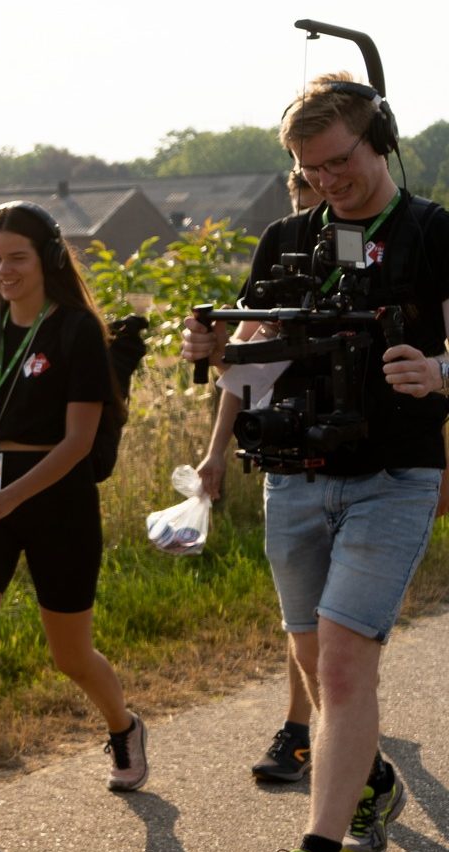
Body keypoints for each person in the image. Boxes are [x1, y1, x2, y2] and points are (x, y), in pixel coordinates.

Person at [181, 72, 449, 852]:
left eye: (340, 162)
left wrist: (440, 370)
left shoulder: (433, 232)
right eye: (311, 169)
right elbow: (256, 351)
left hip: (393, 478)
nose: (329, 182)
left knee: (340, 665)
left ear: (381, 142)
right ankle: (370, 781)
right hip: (293, 473)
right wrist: (218, 349)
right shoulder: (287, 238)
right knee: (310, 655)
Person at [0, 202, 148, 839]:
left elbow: (78, 442)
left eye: (17, 257)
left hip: (56, 496)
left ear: (48, 259)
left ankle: (123, 726)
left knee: (70, 655)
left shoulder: (78, 332)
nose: (3, 270)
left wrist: (9, 499)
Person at [200, 169, 322, 784]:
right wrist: (216, 452)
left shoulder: (383, 263)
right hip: (288, 463)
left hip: (372, 472)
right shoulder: (280, 263)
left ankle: (336, 719)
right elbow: (242, 372)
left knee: (342, 626)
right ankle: (303, 729)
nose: (308, 217)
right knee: (303, 617)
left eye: (317, 201)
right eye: (300, 201)